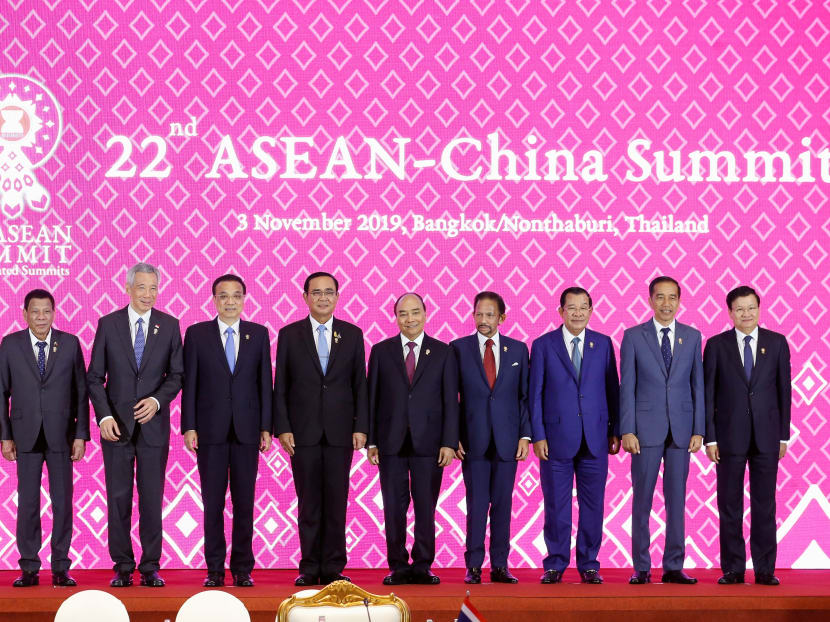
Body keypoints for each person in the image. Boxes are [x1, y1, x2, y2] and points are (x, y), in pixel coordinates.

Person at [87, 262, 183, 587]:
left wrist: (157, 401)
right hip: (116, 428)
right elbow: (94, 377)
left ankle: (151, 566)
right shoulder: (108, 324)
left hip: (153, 427)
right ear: (128, 288)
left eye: (153, 288)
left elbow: (177, 375)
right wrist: (105, 416)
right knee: (118, 498)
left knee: (152, 498)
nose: (148, 294)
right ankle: (123, 566)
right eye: (141, 287)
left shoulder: (169, 326)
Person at [274, 272, 368, 587]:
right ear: (305, 297)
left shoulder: (352, 334)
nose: (323, 298)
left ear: (337, 297)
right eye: (316, 292)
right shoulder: (290, 335)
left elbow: (360, 384)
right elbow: (280, 385)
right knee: (308, 503)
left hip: (341, 432)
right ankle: (309, 565)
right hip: (302, 433)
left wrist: (361, 426)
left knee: (337, 502)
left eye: (329, 292)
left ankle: (333, 567)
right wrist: (282, 427)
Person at [182, 274, 273, 588]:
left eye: (236, 295)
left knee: (245, 503)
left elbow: (265, 383)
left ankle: (243, 568)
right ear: (214, 300)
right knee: (213, 504)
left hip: (248, 431)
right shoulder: (197, 334)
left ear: (244, 300)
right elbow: (190, 383)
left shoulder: (258, 334)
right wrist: (189, 426)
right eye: (224, 296)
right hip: (210, 431)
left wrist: (266, 427)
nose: (230, 301)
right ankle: (215, 569)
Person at [530, 287, 620, 584]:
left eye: (584, 307)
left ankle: (589, 564)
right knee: (556, 505)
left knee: (593, 505)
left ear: (591, 311)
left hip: (596, 437)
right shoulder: (543, 345)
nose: (578, 313)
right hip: (555, 438)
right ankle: (555, 563)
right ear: (561, 311)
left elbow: (613, 389)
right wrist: (538, 435)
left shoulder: (603, 343)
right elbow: (535, 394)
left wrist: (615, 430)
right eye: (572, 307)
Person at [367, 293, 459, 585]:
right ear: (395, 317)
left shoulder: (443, 352)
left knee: (425, 506)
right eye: (403, 313)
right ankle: (397, 565)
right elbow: (372, 399)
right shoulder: (381, 351)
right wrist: (372, 441)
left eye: (415, 312)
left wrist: (449, 442)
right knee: (393, 507)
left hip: (429, 443)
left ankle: (422, 564)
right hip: (390, 442)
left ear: (426, 314)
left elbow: (451, 401)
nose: (410, 319)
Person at [0, 289, 89, 587]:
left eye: (46, 311)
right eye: (35, 311)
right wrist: (5, 436)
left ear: (54, 313)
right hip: (24, 435)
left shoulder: (70, 344)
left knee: (63, 502)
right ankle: (29, 567)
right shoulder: (10, 344)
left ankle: (61, 566)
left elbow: (80, 392)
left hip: (62, 435)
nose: (41, 317)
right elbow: (1, 393)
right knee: (28, 503)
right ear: (24, 314)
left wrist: (80, 435)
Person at [620, 276, 704, 585]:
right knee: (642, 500)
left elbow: (697, 386)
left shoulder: (692, 337)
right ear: (650, 300)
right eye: (660, 297)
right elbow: (626, 386)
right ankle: (642, 567)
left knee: (677, 501)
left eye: (672, 298)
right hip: (644, 432)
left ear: (679, 301)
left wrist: (699, 429)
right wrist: (627, 429)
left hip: (682, 430)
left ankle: (673, 566)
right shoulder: (633, 336)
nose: (666, 304)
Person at [704, 285, 790, 586]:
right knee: (729, 504)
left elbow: (784, 391)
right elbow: (708, 394)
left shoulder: (777, 343)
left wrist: (783, 436)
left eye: (751, 307)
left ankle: (765, 569)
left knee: (765, 505)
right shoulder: (716, 345)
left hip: (767, 436)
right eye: (739, 309)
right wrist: (710, 438)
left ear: (759, 308)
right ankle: (733, 569)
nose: (746, 314)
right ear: (730, 312)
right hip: (728, 437)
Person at [451, 291, 530, 584]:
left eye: (490, 315)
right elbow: (450, 398)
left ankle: (499, 565)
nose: (483, 320)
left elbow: (524, 397)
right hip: (472, 439)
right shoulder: (458, 349)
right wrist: (453, 436)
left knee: (502, 505)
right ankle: (473, 565)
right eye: (479, 314)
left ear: (502, 318)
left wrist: (525, 435)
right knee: (476, 504)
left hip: (508, 440)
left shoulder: (518, 350)